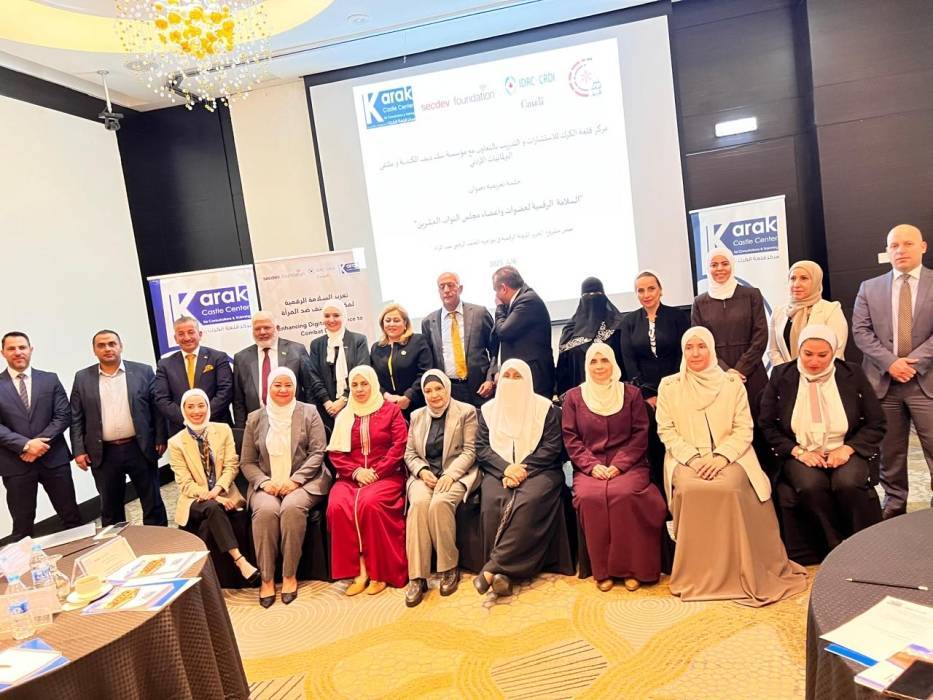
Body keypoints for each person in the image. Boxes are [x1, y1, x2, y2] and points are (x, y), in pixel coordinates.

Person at [655, 327, 808, 606]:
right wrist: (694, 459)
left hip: (732, 457)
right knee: (689, 489)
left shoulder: (731, 384)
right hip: (686, 458)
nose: (695, 353)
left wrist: (721, 457)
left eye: (701, 346)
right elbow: (666, 430)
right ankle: (697, 574)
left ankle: (742, 568)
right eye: (689, 347)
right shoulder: (669, 386)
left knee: (730, 487)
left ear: (712, 349)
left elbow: (743, 429)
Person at [759, 326, 884, 552]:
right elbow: (767, 425)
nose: (814, 361)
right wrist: (798, 452)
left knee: (847, 484)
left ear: (834, 352)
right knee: (810, 486)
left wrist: (847, 449)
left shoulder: (852, 374)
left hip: (845, 448)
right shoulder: (782, 375)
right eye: (807, 354)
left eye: (822, 355)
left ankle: (860, 543)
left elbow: (876, 422)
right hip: (800, 451)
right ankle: (833, 544)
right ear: (799, 350)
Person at [561, 343, 667, 591]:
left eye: (604, 360)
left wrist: (620, 464)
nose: (599, 366)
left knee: (625, 494)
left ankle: (633, 569)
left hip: (630, 464)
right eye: (593, 361)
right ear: (586, 365)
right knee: (590, 497)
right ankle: (603, 571)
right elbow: (571, 438)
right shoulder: (574, 397)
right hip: (590, 466)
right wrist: (591, 466)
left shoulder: (630, 394)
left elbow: (640, 434)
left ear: (613, 363)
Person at [852, 224, 933, 518]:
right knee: (890, 454)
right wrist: (891, 363)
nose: (900, 250)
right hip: (883, 385)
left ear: (922, 247)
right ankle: (895, 507)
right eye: (894, 245)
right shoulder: (869, 288)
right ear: (887, 251)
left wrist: (912, 363)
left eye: (907, 244)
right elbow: (861, 332)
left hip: (926, 382)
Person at [473, 359, 571, 597]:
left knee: (527, 501)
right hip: (499, 471)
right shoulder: (488, 410)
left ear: (528, 379)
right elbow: (482, 448)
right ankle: (505, 576)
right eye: (507, 376)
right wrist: (506, 469)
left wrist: (522, 470)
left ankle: (493, 568)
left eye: (518, 376)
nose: (512, 381)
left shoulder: (546, 408)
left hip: (541, 470)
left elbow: (551, 447)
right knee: (493, 502)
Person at [239, 368, 331, 607]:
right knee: (266, 511)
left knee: (291, 508)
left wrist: (295, 480)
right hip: (267, 483)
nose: (282, 390)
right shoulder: (255, 418)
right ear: (268, 387)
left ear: (295, 387)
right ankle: (267, 578)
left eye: (288, 385)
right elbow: (247, 462)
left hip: (305, 481)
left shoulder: (309, 412)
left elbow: (318, 452)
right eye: (277, 385)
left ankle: (290, 575)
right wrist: (264, 482)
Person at [70, 330, 167, 527]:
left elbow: (156, 408)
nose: (107, 348)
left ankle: (160, 539)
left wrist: (160, 437)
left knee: (152, 502)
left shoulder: (143, 371)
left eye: (112, 344)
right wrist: (78, 450)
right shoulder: (82, 378)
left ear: (120, 346)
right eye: (101, 345)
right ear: (94, 350)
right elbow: (76, 416)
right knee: (110, 507)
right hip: (104, 452)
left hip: (140, 447)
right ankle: (116, 543)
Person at [327, 365, 408, 595]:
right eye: (354, 385)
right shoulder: (344, 415)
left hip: (386, 474)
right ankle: (359, 571)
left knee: (370, 504)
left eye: (364, 384)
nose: (360, 389)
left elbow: (399, 445)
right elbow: (335, 453)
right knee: (337, 505)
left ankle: (379, 572)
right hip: (350, 476)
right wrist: (356, 472)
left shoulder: (391, 411)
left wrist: (376, 472)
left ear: (373, 384)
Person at [403, 370, 479, 607]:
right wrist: (422, 471)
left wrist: (450, 474)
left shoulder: (466, 412)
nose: (434, 394)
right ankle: (417, 576)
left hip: (457, 474)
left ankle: (448, 567)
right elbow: (410, 453)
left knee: (439, 503)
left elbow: (470, 451)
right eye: (428, 390)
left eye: (438, 388)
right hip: (425, 476)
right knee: (419, 504)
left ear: (448, 388)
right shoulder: (416, 415)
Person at [168, 389, 258, 584]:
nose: (196, 411)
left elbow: (231, 465)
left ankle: (231, 571)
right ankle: (240, 560)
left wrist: (217, 490)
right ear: (183, 410)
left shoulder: (223, 430)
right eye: (190, 407)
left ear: (208, 407)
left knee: (214, 509)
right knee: (213, 506)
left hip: (224, 492)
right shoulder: (175, 443)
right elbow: (185, 484)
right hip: (194, 500)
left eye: (201, 405)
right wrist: (215, 497)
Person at [0, 332, 81, 540]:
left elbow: (63, 415)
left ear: (30, 350)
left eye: (22, 347)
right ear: (3, 352)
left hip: (54, 459)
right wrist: (26, 445)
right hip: (16, 463)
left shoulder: (49, 379)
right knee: (22, 525)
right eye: (11, 348)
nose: (18, 352)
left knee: (71, 516)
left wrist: (38, 444)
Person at [691, 247, 769, 415]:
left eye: (724, 263)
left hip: (751, 373)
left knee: (758, 421)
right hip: (716, 375)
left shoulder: (752, 295)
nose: (719, 268)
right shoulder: (699, 302)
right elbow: (700, 342)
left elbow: (761, 335)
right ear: (708, 269)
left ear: (732, 266)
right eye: (714, 265)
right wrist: (725, 371)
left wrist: (740, 369)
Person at [232, 311, 313, 444]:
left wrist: (310, 419)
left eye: (267, 327)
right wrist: (241, 432)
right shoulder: (241, 358)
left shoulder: (296, 350)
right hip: (258, 425)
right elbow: (238, 400)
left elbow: (310, 389)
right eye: (257, 329)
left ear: (277, 328)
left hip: (293, 422)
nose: (262, 332)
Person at [421, 272, 497, 406]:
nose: (446, 290)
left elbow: (495, 349)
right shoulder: (429, 321)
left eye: (450, 285)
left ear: (460, 288)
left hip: (481, 387)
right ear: (438, 292)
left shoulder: (479, 313)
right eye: (442, 287)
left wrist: (490, 379)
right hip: (449, 390)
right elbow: (429, 360)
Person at [153, 316, 233, 436]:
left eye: (191, 332)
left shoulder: (217, 357)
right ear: (175, 338)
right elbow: (161, 398)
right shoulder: (165, 364)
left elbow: (226, 390)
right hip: (181, 430)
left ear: (199, 334)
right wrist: (188, 419)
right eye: (181, 334)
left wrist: (203, 416)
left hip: (216, 426)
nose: (187, 338)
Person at [619, 271, 691, 404]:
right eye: (641, 291)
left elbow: (683, 354)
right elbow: (629, 360)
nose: (646, 295)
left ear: (660, 290)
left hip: (677, 388)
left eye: (651, 289)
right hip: (644, 395)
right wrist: (645, 394)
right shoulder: (629, 321)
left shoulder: (678, 317)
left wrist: (672, 387)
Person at [556, 277, 626, 397]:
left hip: (613, 394)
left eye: (596, 293)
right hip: (579, 398)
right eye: (587, 294)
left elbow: (625, 363)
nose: (592, 297)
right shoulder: (570, 331)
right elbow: (563, 370)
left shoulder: (618, 326)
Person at [491, 266, 555, 398]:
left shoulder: (527, 300)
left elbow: (503, 332)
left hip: (533, 378)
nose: (496, 296)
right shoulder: (521, 299)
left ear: (503, 288)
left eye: (496, 291)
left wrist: (499, 307)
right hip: (523, 375)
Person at [307, 300, 370, 431]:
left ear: (344, 316)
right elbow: (313, 376)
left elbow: (362, 372)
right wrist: (326, 401)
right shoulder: (316, 344)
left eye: (336, 315)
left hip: (355, 403)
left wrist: (343, 400)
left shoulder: (358, 341)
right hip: (326, 409)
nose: (331, 320)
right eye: (327, 316)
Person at [768, 261, 848, 366]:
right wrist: (786, 371)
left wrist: (810, 372)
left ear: (816, 281)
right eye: (793, 278)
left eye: (804, 278)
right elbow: (773, 350)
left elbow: (836, 349)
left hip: (823, 374)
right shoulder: (779, 312)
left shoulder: (831, 309)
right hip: (787, 374)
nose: (796, 284)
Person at [369, 303, 433, 419]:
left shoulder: (417, 341)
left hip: (417, 404)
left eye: (396, 320)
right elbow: (373, 377)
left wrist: (408, 396)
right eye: (387, 320)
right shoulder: (376, 348)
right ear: (382, 324)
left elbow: (425, 372)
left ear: (405, 323)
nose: (391, 324)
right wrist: (386, 395)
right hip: (387, 407)